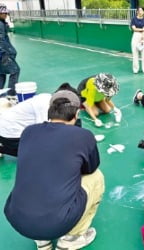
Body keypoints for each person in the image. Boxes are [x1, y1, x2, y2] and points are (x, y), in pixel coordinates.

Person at [4, 90, 104, 250]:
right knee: (96, 178)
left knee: (34, 175)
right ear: (77, 113)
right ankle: (71, 240)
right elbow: (90, 168)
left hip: (17, 219)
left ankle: (41, 241)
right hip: (56, 222)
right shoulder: (84, 136)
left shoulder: (28, 131)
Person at [0, 83, 78, 157]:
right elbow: (44, 131)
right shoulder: (45, 105)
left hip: (11, 127)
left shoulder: (48, 97)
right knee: (41, 154)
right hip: (10, 134)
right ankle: (3, 149)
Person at [0, 4, 19, 99]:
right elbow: (1, 41)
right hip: (2, 54)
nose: (6, 14)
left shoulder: (2, 23)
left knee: (1, 73)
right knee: (15, 70)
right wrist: (10, 52)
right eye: (4, 13)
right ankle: (11, 95)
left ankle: (1, 95)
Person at [130, 6, 144, 74]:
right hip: (135, 35)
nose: (140, 12)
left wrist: (143, 36)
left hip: (143, 36)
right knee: (135, 53)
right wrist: (141, 29)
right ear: (137, 11)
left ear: (143, 12)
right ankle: (135, 69)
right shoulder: (133, 19)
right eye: (139, 10)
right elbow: (134, 28)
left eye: (142, 11)